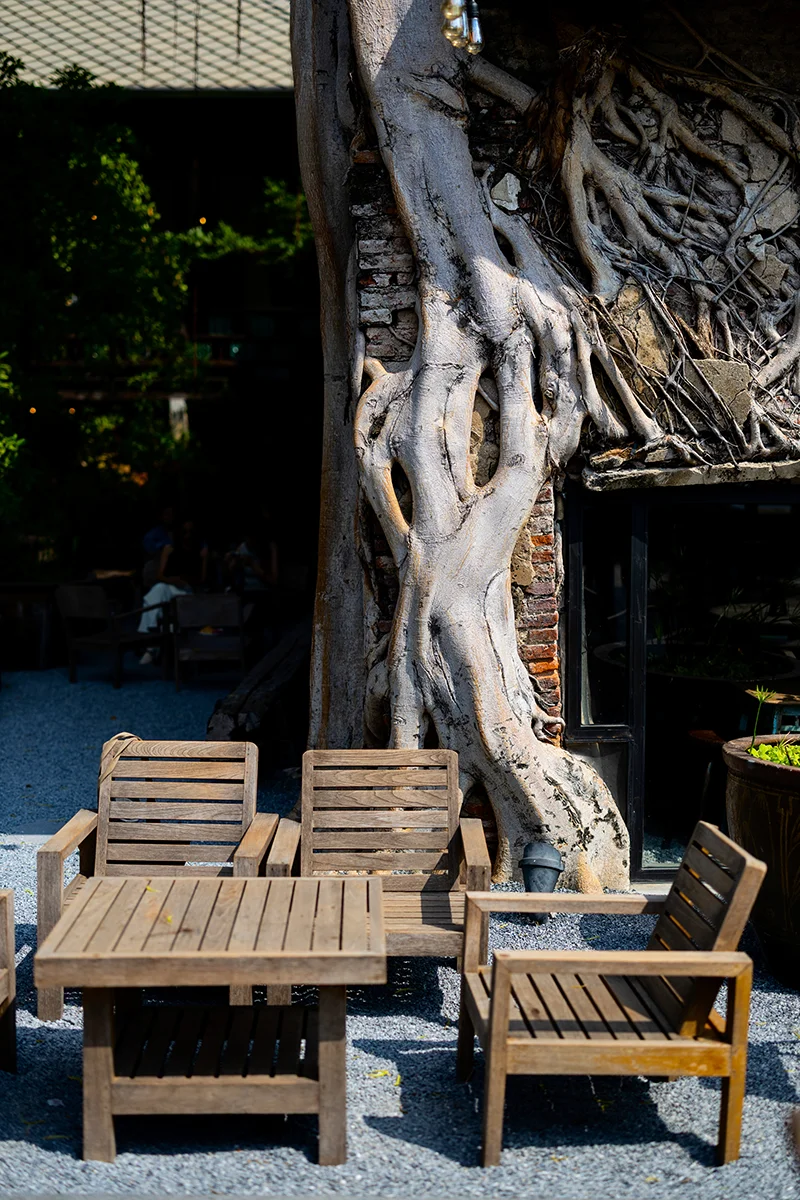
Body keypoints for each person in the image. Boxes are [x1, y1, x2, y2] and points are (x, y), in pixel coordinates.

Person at [138, 519, 208, 662]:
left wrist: (204, 560)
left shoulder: (200, 550)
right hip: (171, 588)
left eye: (191, 532)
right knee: (159, 589)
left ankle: (150, 642)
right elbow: (160, 576)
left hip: (188, 591)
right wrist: (173, 580)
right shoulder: (170, 548)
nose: (187, 535)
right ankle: (152, 632)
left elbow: (202, 579)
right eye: (185, 532)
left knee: (158, 595)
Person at [142, 505, 175, 590]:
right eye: (167, 514)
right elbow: (149, 550)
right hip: (156, 570)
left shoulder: (177, 532)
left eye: (172, 514)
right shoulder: (153, 534)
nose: (170, 517)